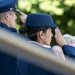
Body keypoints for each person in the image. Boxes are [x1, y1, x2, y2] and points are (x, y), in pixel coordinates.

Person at [0, 0, 27, 75]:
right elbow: (36, 43)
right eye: (15, 14)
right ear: (7, 16)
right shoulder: (9, 36)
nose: (16, 18)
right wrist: (29, 23)